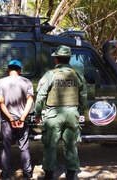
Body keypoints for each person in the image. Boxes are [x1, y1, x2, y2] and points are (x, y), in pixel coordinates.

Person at [34, 45, 87, 180]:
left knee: (50, 146)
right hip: (72, 114)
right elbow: (84, 96)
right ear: (69, 59)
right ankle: (71, 175)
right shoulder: (78, 74)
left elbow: (40, 96)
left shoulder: (50, 75)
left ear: (56, 59)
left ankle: (49, 176)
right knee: (71, 145)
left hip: (53, 114)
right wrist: (79, 111)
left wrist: (38, 114)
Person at [0, 60, 34, 180]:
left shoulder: (1, 82)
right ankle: (27, 173)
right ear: (20, 70)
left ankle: (5, 173)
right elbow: (30, 101)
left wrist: (11, 119)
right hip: (22, 120)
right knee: (24, 147)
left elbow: (0, 102)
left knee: (6, 148)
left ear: (8, 69)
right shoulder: (27, 82)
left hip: (7, 121)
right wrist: (22, 118)